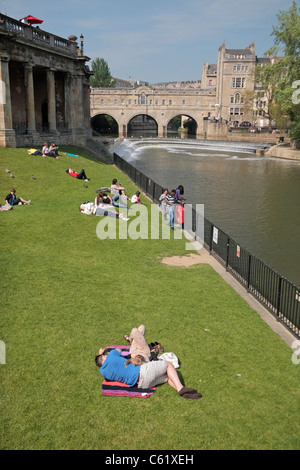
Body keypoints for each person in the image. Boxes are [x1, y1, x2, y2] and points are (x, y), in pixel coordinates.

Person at [95, 347, 202, 399]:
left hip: (141, 385)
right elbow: (118, 350)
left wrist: (99, 356)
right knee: (168, 364)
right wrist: (102, 353)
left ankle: (184, 393)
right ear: (104, 356)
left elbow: (102, 363)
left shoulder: (103, 372)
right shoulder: (111, 355)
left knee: (168, 375)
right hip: (143, 372)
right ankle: (180, 388)